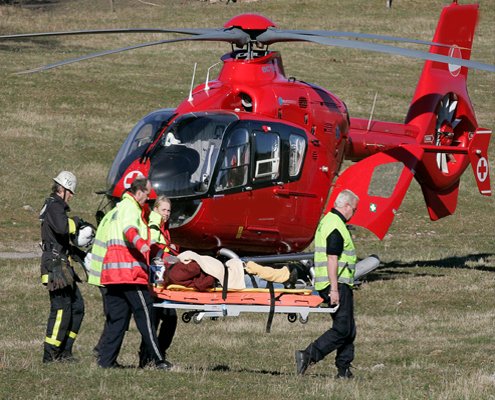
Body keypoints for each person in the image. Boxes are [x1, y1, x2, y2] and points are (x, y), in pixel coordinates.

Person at [98, 177, 172, 370]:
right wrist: (143, 245)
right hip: (129, 273)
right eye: (147, 195)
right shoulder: (130, 208)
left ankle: (106, 361)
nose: (148, 199)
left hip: (113, 274)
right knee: (146, 316)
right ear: (140, 192)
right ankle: (158, 360)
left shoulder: (118, 209)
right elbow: (129, 229)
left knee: (118, 319)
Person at [295, 189, 360, 378]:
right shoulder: (335, 226)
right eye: (354, 210)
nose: (353, 214)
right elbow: (332, 258)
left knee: (348, 328)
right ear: (346, 206)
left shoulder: (329, 221)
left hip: (337, 283)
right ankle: (308, 356)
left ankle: (344, 369)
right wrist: (334, 289)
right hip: (336, 283)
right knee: (342, 329)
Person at [39, 171, 86, 363]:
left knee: (77, 307)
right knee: (61, 309)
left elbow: (61, 236)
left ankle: (65, 351)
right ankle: (51, 354)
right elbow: (62, 228)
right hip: (55, 266)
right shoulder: (55, 205)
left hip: (62, 263)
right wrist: (77, 222)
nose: (72, 196)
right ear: (64, 189)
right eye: (71, 192)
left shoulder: (55, 206)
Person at [139, 195, 178, 367]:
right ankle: (153, 355)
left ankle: (151, 355)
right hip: (156, 278)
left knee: (160, 319)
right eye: (163, 209)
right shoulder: (154, 225)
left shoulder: (162, 226)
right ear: (155, 209)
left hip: (160, 277)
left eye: (169, 210)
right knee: (162, 319)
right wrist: (170, 253)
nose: (167, 213)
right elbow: (155, 251)